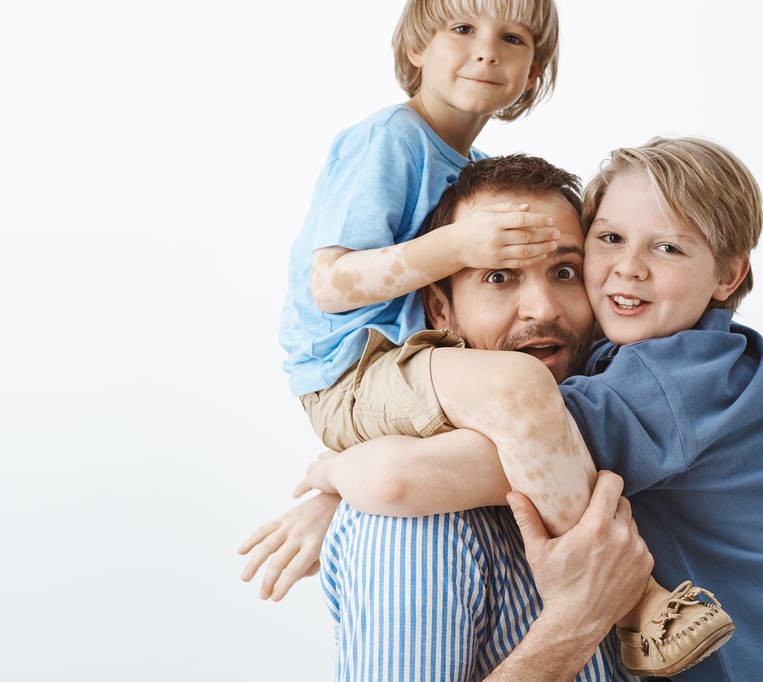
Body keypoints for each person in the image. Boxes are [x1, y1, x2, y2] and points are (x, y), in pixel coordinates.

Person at [297, 138, 763, 679]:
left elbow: (403, 476)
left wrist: (330, 474)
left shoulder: (672, 382)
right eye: (609, 240)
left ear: (728, 275)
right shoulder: (635, 358)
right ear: (438, 310)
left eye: (563, 270)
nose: (627, 268)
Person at [278, 0, 725, 671]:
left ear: (533, 71)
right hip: (348, 369)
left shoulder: (470, 166)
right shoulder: (390, 141)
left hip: (402, 374)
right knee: (513, 386)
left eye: (510, 37)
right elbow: (330, 285)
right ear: (415, 49)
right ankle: (634, 594)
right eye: (461, 28)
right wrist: (456, 243)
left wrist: (339, 484)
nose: (486, 50)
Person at [243, 154, 653, 680]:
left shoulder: (632, 414)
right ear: (439, 310)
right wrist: (577, 622)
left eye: (565, 272)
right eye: (499, 276)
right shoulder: (412, 529)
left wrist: (340, 480)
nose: (542, 308)